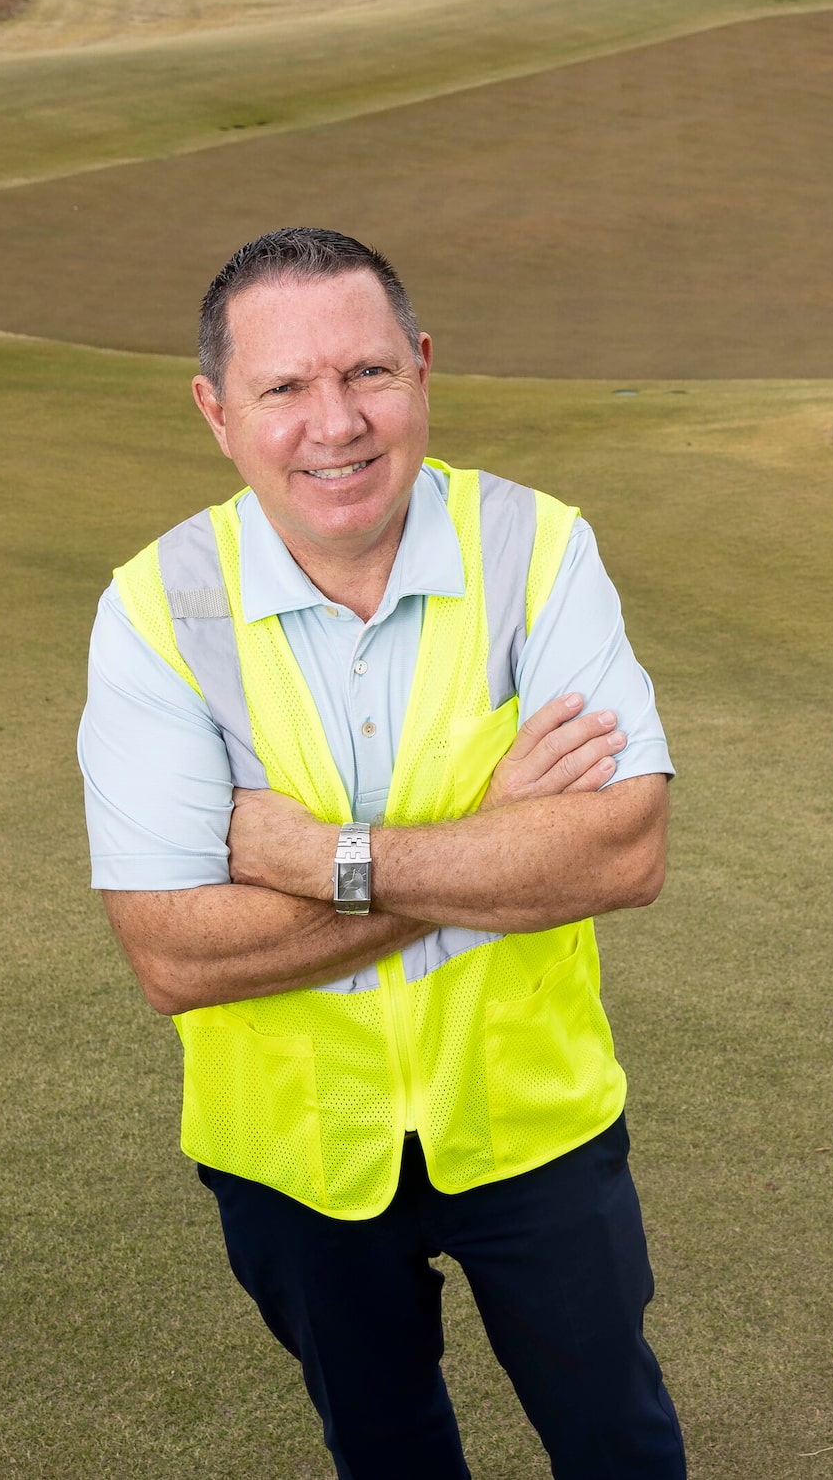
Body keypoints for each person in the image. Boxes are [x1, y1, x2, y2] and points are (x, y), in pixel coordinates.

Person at [80, 227, 686, 1478]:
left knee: (616, 1443)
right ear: (216, 412)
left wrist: (313, 857)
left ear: (421, 369)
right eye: (283, 389)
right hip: (290, 1153)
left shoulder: (537, 547)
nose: (334, 423)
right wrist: (497, 846)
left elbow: (620, 853)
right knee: (388, 1452)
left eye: (365, 374)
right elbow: (172, 957)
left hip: (533, 1123)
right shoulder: (154, 610)